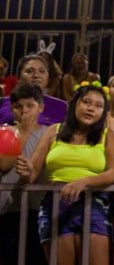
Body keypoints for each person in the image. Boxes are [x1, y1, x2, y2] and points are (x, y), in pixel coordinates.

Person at [14, 81, 114, 265]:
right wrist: (26, 171)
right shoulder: (53, 131)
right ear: (75, 103)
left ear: (103, 112)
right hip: (57, 204)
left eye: (98, 106)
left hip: (93, 203)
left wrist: (83, 182)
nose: (91, 109)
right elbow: (33, 173)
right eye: (86, 102)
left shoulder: (107, 135)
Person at [0, 84, 49, 265]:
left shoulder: (48, 134)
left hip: (35, 210)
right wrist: (23, 133)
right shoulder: (4, 131)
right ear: (11, 108)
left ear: (41, 107)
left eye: (30, 106)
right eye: (18, 107)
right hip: (7, 209)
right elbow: (4, 165)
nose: (24, 111)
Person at [0, 54, 68, 126]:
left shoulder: (61, 106)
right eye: (29, 71)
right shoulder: (2, 103)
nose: (36, 75)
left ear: (48, 77)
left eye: (42, 71)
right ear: (18, 78)